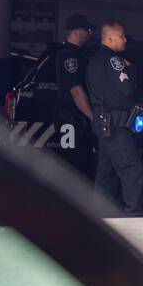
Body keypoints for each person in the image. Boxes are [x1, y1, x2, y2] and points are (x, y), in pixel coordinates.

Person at [85, 22, 143, 216]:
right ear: (109, 38)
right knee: (131, 168)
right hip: (116, 123)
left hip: (102, 122)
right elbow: (127, 89)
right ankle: (132, 211)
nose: (125, 40)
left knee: (106, 170)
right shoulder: (113, 60)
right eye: (122, 36)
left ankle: (100, 212)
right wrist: (131, 70)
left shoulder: (94, 60)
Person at [53, 14, 96, 176]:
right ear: (76, 32)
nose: (89, 32)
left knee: (82, 162)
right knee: (72, 165)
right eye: (86, 29)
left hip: (78, 118)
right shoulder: (69, 56)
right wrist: (93, 117)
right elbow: (76, 91)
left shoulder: (80, 54)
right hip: (70, 118)